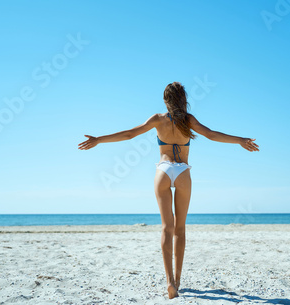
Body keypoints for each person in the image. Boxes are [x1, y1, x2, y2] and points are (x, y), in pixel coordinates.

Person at [78, 82, 259, 299]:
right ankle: (178, 279)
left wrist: (99, 139)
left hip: (163, 171)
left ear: (166, 100)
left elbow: (129, 135)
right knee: (180, 229)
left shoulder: (158, 119)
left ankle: (170, 282)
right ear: (183, 99)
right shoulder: (188, 120)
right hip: (182, 172)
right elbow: (211, 135)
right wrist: (241, 140)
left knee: (166, 228)